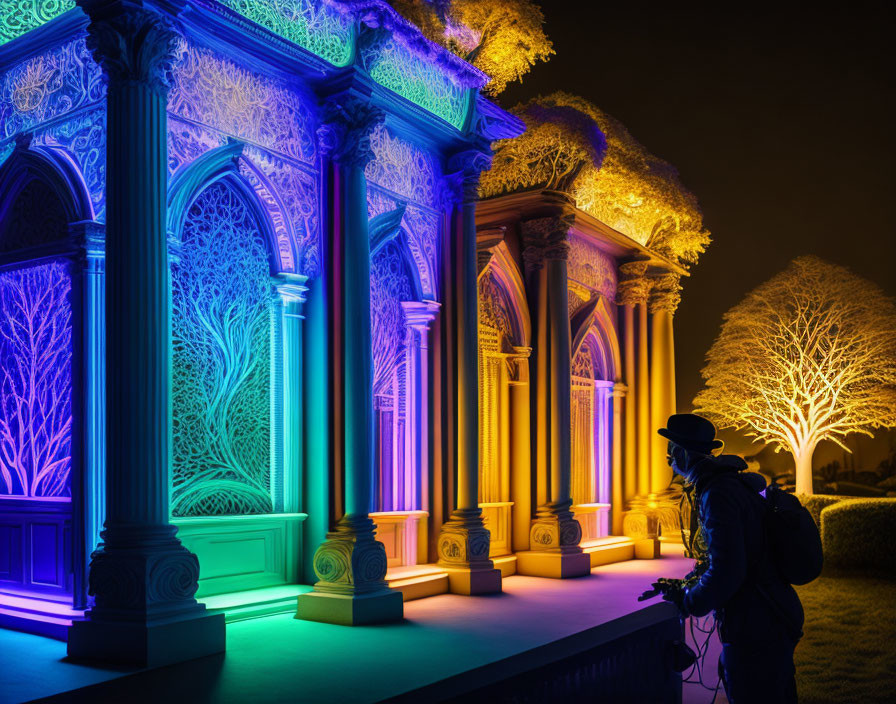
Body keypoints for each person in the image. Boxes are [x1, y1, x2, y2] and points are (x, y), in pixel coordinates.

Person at [658, 413, 804, 704]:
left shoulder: (718, 494)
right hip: (769, 616)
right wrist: (690, 583)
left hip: (756, 624)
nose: (668, 460)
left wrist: (690, 602)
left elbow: (728, 569)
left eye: (671, 452)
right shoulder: (728, 485)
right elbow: (729, 555)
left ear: (684, 453)